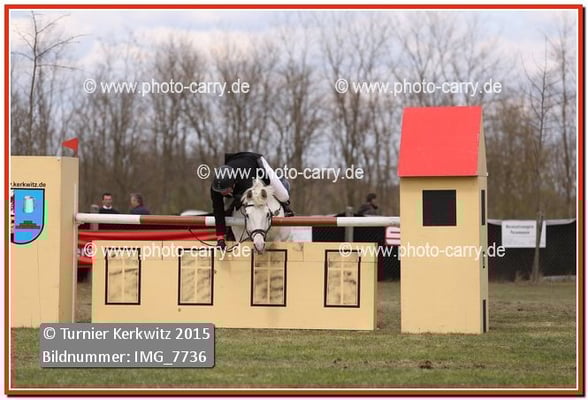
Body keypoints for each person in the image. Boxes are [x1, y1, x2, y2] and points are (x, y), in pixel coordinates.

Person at [210, 152, 293, 250]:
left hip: (256, 163)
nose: (222, 193)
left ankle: (286, 208)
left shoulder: (246, 182)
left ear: (233, 184)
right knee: (228, 207)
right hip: (235, 164)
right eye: (221, 191)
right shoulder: (216, 188)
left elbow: (255, 200)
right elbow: (218, 211)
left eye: (225, 190)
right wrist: (220, 238)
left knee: (284, 196)